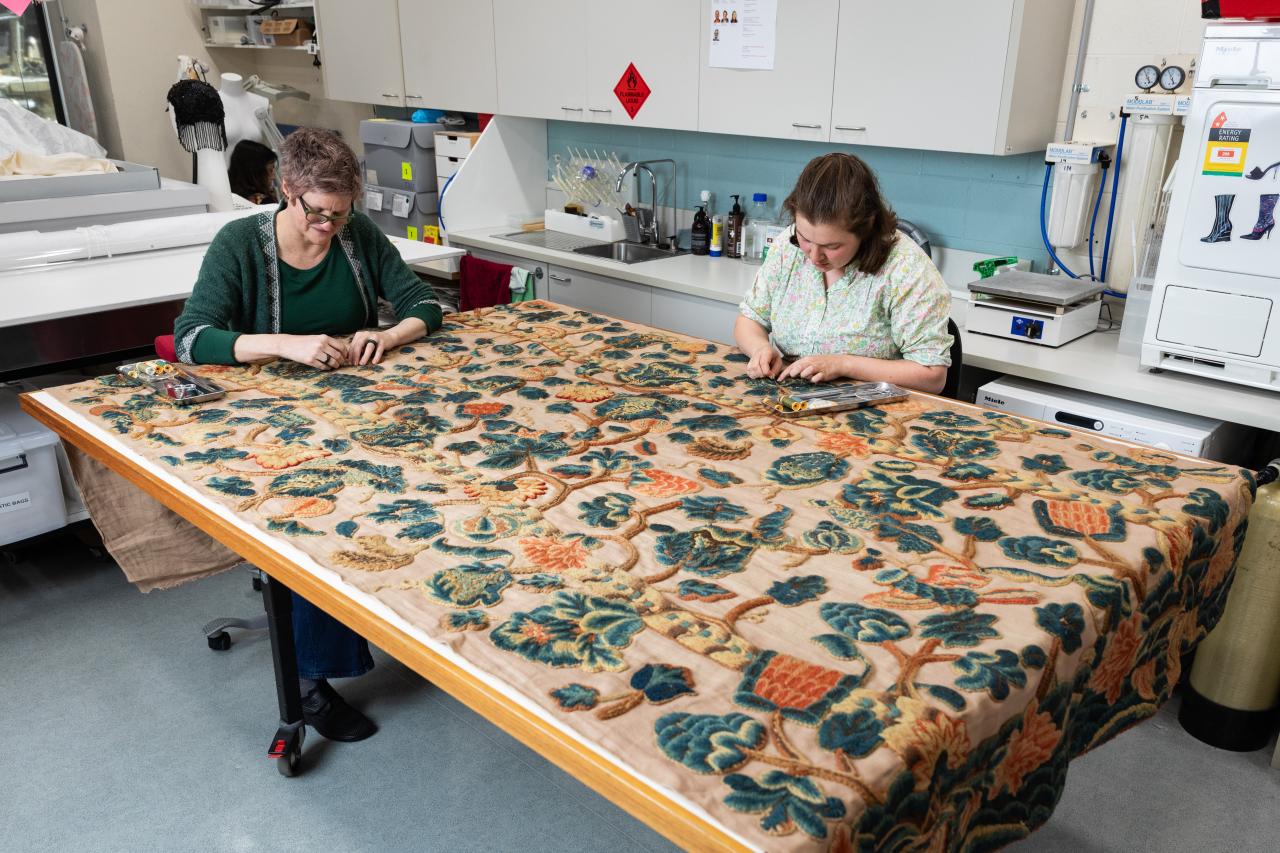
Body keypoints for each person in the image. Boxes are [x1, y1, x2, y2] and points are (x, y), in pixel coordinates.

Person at [175, 127, 444, 741]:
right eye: (316, 212)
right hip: (270, 423)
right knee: (317, 514)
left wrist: (387, 335)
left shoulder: (356, 236)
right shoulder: (240, 244)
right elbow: (190, 338)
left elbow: (423, 303)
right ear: (286, 190)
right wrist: (282, 344)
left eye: (339, 213)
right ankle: (309, 683)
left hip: (356, 410)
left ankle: (414, 617)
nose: (327, 226)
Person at [734, 153, 952, 393]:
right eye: (805, 238)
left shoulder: (906, 267)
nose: (814, 256)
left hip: (872, 407)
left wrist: (843, 364)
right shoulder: (787, 246)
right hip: (790, 398)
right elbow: (750, 319)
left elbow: (932, 375)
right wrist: (760, 349)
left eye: (831, 246)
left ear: (866, 229)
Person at [227, 139, 277, 205]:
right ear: (255, 173)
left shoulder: (227, 197)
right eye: (270, 170)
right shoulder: (265, 203)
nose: (273, 177)